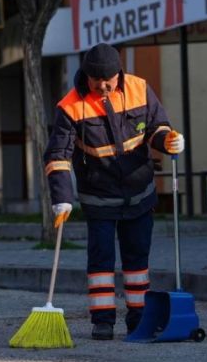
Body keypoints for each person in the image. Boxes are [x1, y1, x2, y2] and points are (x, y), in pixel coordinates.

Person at [44, 43, 185, 340]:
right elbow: (57, 155)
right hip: (98, 195)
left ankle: (139, 318)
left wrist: (168, 140)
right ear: (87, 77)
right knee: (101, 261)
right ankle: (103, 321)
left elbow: (157, 127)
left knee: (137, 262)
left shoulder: (139, 88)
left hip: (139, 191)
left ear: (118, 74)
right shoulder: (69, 107)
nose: (105, 86)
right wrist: (61, 198)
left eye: (109, 79)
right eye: (98, 81)